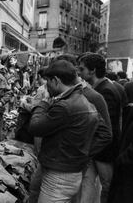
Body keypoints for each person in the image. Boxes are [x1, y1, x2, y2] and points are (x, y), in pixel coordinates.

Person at [29, 60, 108, 203]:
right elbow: (103, 133)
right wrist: (81, 154)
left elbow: (35, 127)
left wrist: (43, 102)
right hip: (66, 169)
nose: (46, 86)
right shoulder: (82, 99)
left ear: (56, 80)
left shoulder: (66, 105)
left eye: (47, 81)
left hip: (59, 175)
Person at [78, 53, 122, 203]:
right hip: (96, 150)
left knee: (107, 186)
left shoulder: (105, 91)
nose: (79, 72)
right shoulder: (102, 87)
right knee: (88, 184)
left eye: (82, 69)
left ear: (93, 70)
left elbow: (106, 127)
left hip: (104, 151)